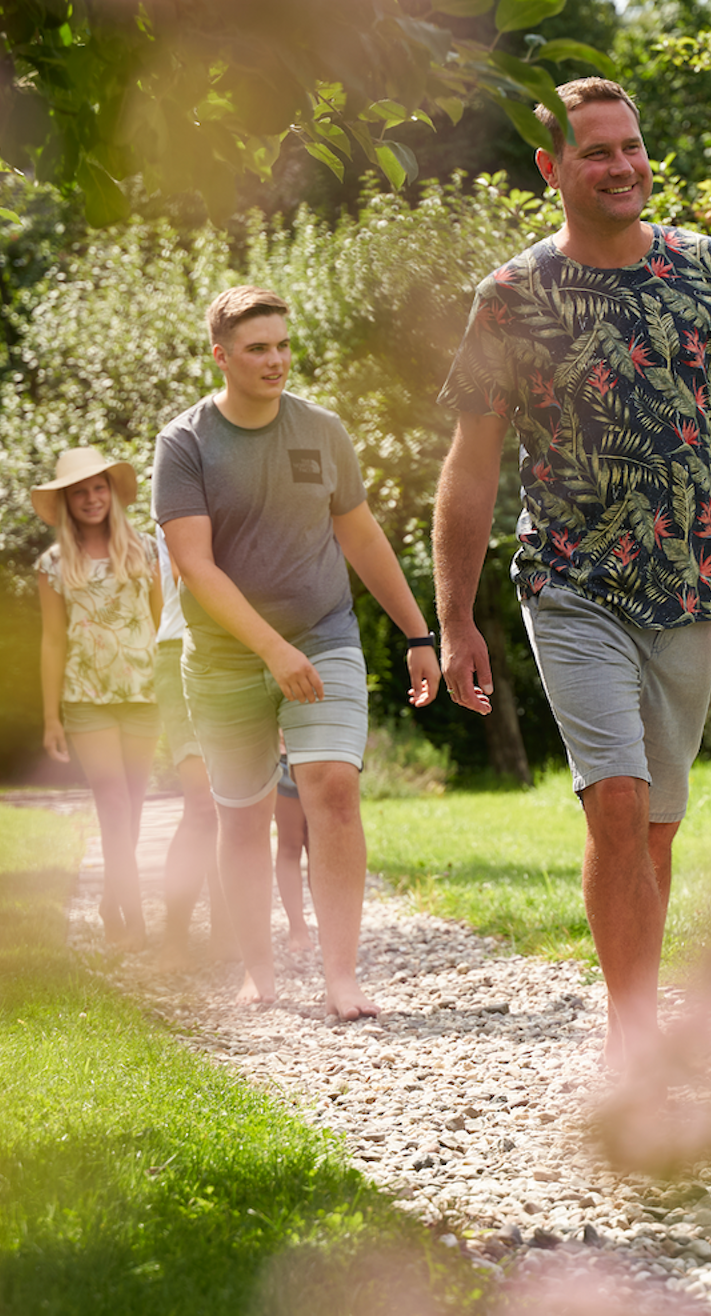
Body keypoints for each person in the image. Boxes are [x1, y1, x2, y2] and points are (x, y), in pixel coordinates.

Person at [431, 78, 711, 1070]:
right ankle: (633, 1039)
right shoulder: (511, 297)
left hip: (690, 581)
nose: (621, 165)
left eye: (630, 146)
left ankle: (634, 1014)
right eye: (595, 151)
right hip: (569, 580)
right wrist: (455, 618)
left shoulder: (710, 271)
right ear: (551, 168)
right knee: (618, 801)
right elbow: (470, 467)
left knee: (656, 833)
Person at [154, 285, 441, 1020]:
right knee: (244, 817)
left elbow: (360, 535)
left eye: (283, 345)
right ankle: (260, 972)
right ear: (221, 356)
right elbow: (195, 567)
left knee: (333, 790)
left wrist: (419, 634)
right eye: (258, 348)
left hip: (323, 634)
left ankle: (342, 978)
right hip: (222, 659)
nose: (275, 360)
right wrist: (271, 650)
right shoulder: (184, 444)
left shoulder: (321, 430)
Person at [34, 446, 165, 950]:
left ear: (111, 492)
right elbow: (52, 641)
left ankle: (113, 900)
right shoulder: (52, 565)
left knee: (133, 807)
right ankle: (134, 921)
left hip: (144, 693)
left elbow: (163, 623)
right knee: (112, 804)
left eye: (98, 488)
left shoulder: (146, 550)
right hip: (86, 698)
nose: (91, 499)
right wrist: (51, 718)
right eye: (79, 493)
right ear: (66, 502)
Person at [153, 530, 226, 969]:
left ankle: (225, 935)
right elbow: (191, 574)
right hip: (184, 647)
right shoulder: (179, 491)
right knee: (203, 805)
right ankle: (175, 938)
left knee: (233, 805)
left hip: (242, 649)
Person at [273, 746, 314, 953]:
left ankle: (333, 927)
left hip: (323, 752)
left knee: (321, 846)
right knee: (290, 844)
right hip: (282, 754)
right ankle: (297, 928)